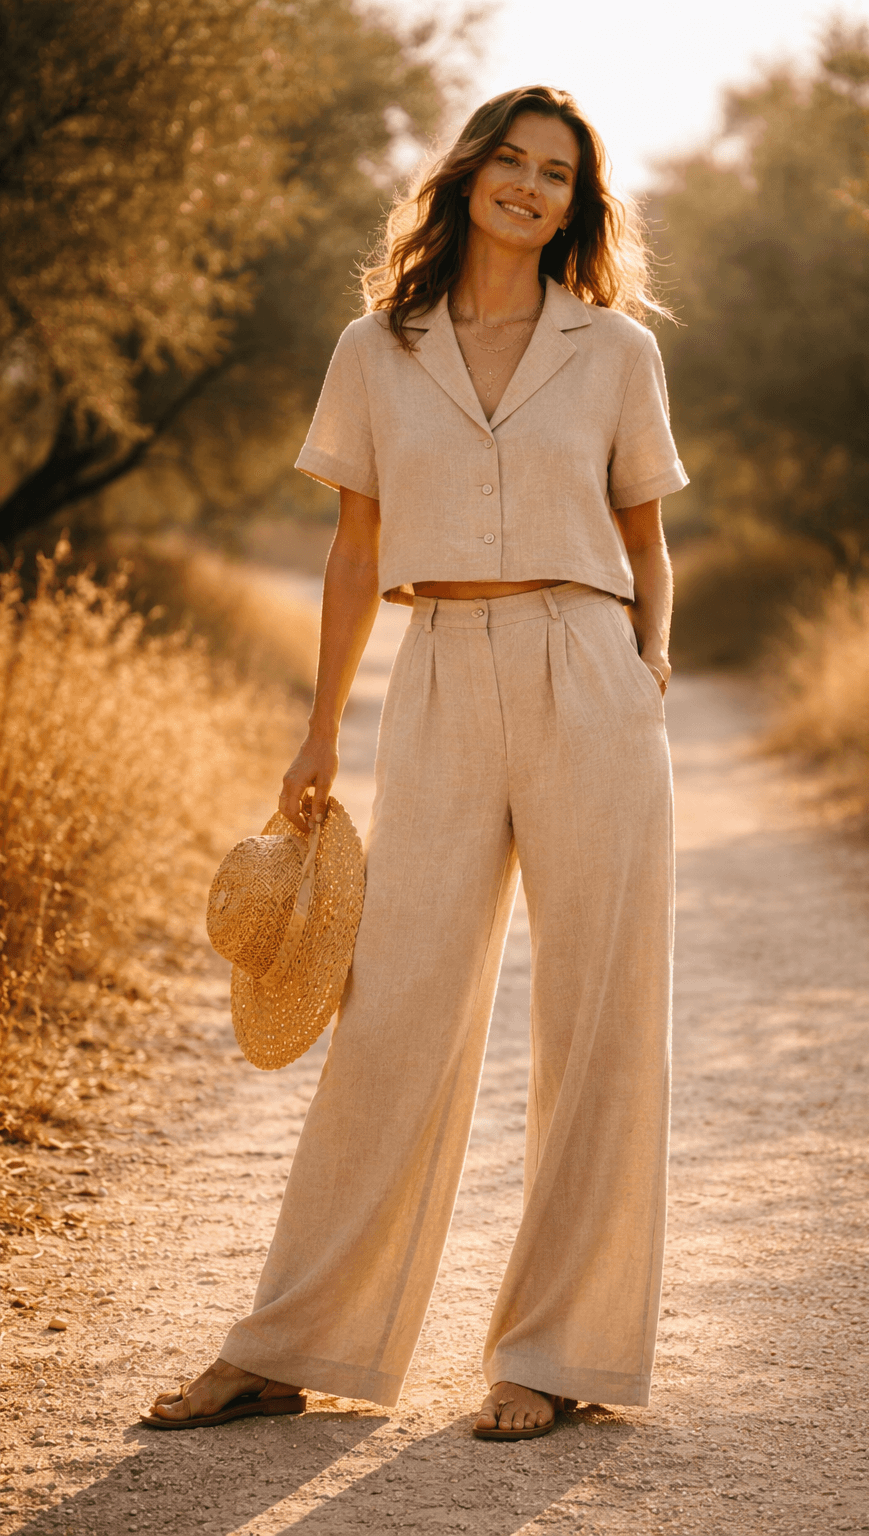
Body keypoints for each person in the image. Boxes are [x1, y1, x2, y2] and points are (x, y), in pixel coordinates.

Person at [147, 83, 686, 1441]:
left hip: (589, 664)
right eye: (510, 160)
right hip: (438, 666)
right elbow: (354, 552)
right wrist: (320, 728)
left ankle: (556, 1355)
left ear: (579, 202)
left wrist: (650, 664)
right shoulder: (375, 351)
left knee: (599, 1016)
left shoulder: (616, 349)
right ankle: (290, 1340)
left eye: (557, 173)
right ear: (466, 178)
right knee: (391, 1012)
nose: (530, 186)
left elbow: (648, 540)